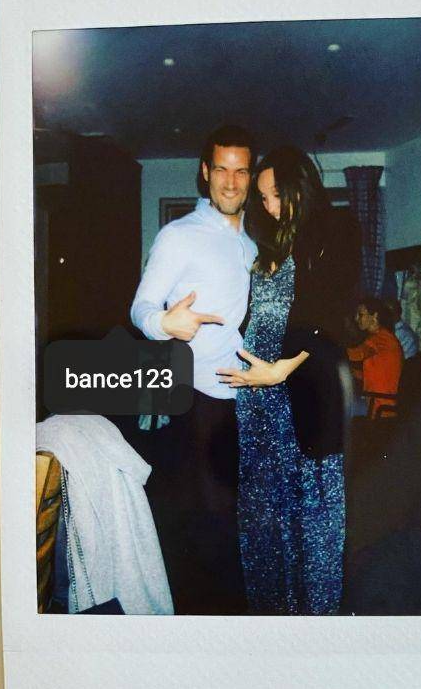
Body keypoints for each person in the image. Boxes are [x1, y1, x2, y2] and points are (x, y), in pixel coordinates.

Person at [217, 146, 360, 615]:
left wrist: (282, 367)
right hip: (257, 397)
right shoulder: (271, 242)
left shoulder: (335, 230)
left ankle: (313, 617)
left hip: (300, 387)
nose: (271, 206)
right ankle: (274, 614)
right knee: (264, 506)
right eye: (263, 197)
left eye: (277, 194)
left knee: (309, 506)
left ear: (300, 185)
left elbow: (331, 316)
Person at [130, 125, 257, 614]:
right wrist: (165, 322)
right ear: (205, 173)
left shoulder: (252, 245)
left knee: (236, 526)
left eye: (240, 171)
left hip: (242, 398)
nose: (231, 181)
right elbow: (141, 307)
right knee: (203, 532)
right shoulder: (179, 235)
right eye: (221, 169)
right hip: (195, 399)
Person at [347, 297, 404, 418]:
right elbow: (377, 375)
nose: (356, 319)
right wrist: (352, 372)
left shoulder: (382, 339)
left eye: (360, 315)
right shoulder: (381, 337)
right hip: (375, 401)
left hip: (379, 405)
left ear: (374, 316)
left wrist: (331, 350)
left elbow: (358, 354)